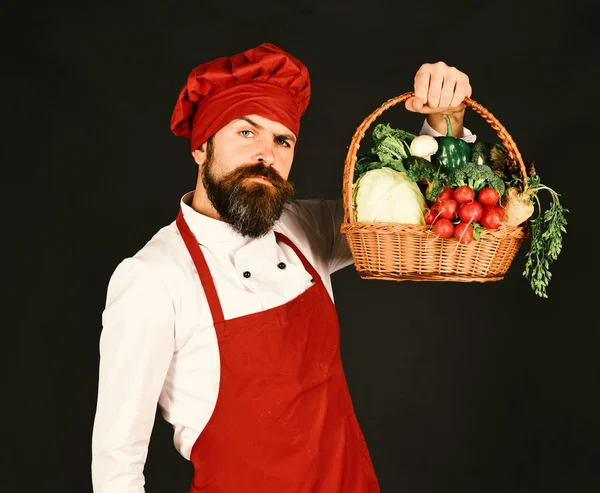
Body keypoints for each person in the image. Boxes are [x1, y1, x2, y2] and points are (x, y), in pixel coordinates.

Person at [91, 42, 476, 493]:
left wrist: (444, 118)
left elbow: (426, 211)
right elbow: (117, 465)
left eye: (282, 139)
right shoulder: (153, 278)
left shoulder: (303, 226)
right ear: (201, 146)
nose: (266, 155)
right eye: (246, 132)